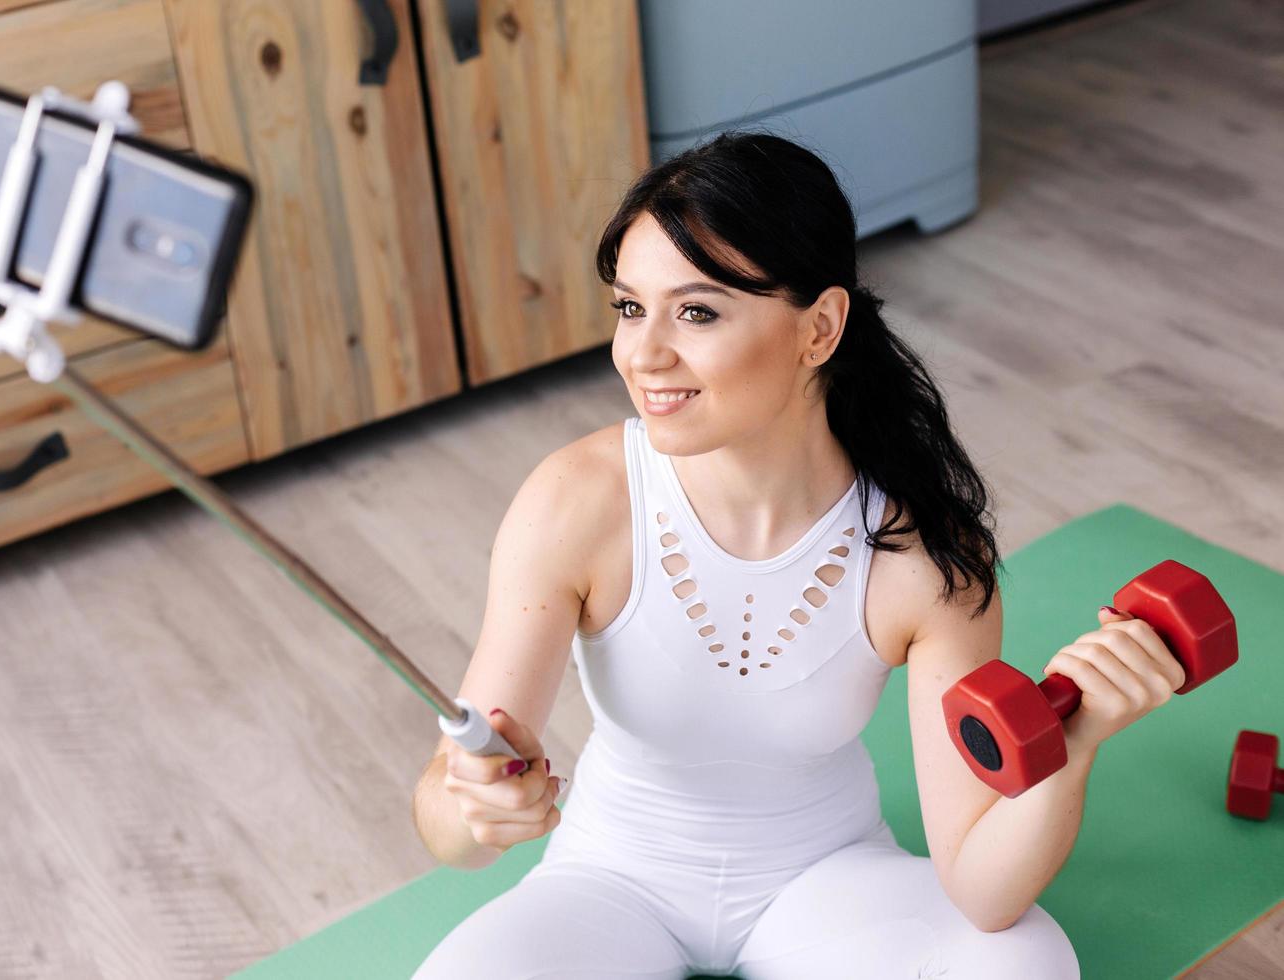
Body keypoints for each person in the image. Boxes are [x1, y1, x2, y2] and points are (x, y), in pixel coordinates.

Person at [410, 130, 1182, 979]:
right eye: (630, 306)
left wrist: (1068, 755)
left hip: (824, 884)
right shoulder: (576, 500)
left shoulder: (923, 559)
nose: (643, 352)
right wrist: (470, 802)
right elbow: (452, 825)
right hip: (607, 880)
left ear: (820, 328)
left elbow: (983, 893)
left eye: (696, 311)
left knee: (1026, 961)